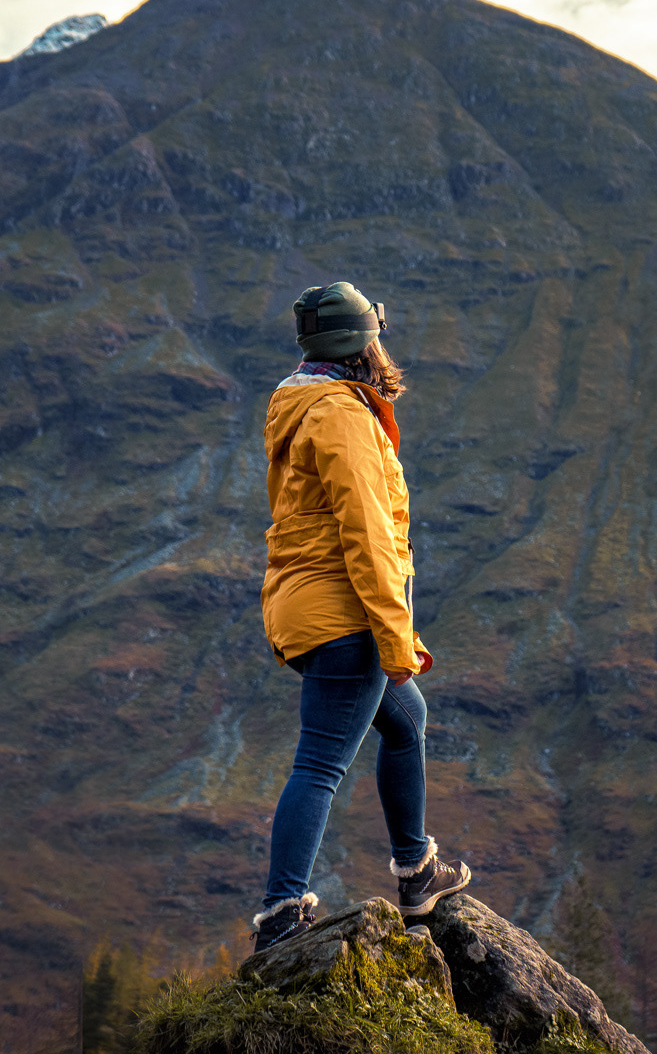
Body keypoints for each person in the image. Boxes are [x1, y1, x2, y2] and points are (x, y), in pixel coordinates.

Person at [250, 281, 472, 954]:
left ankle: (417, 870)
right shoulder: (342, 415)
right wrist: (395, 637)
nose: (382, 344)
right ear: (359, 344)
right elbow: (367, 534)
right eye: (375, 333)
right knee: (320, 762)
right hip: (346, 614)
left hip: (308, 604)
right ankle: (282, 911)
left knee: (408, 721)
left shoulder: (300, 402)